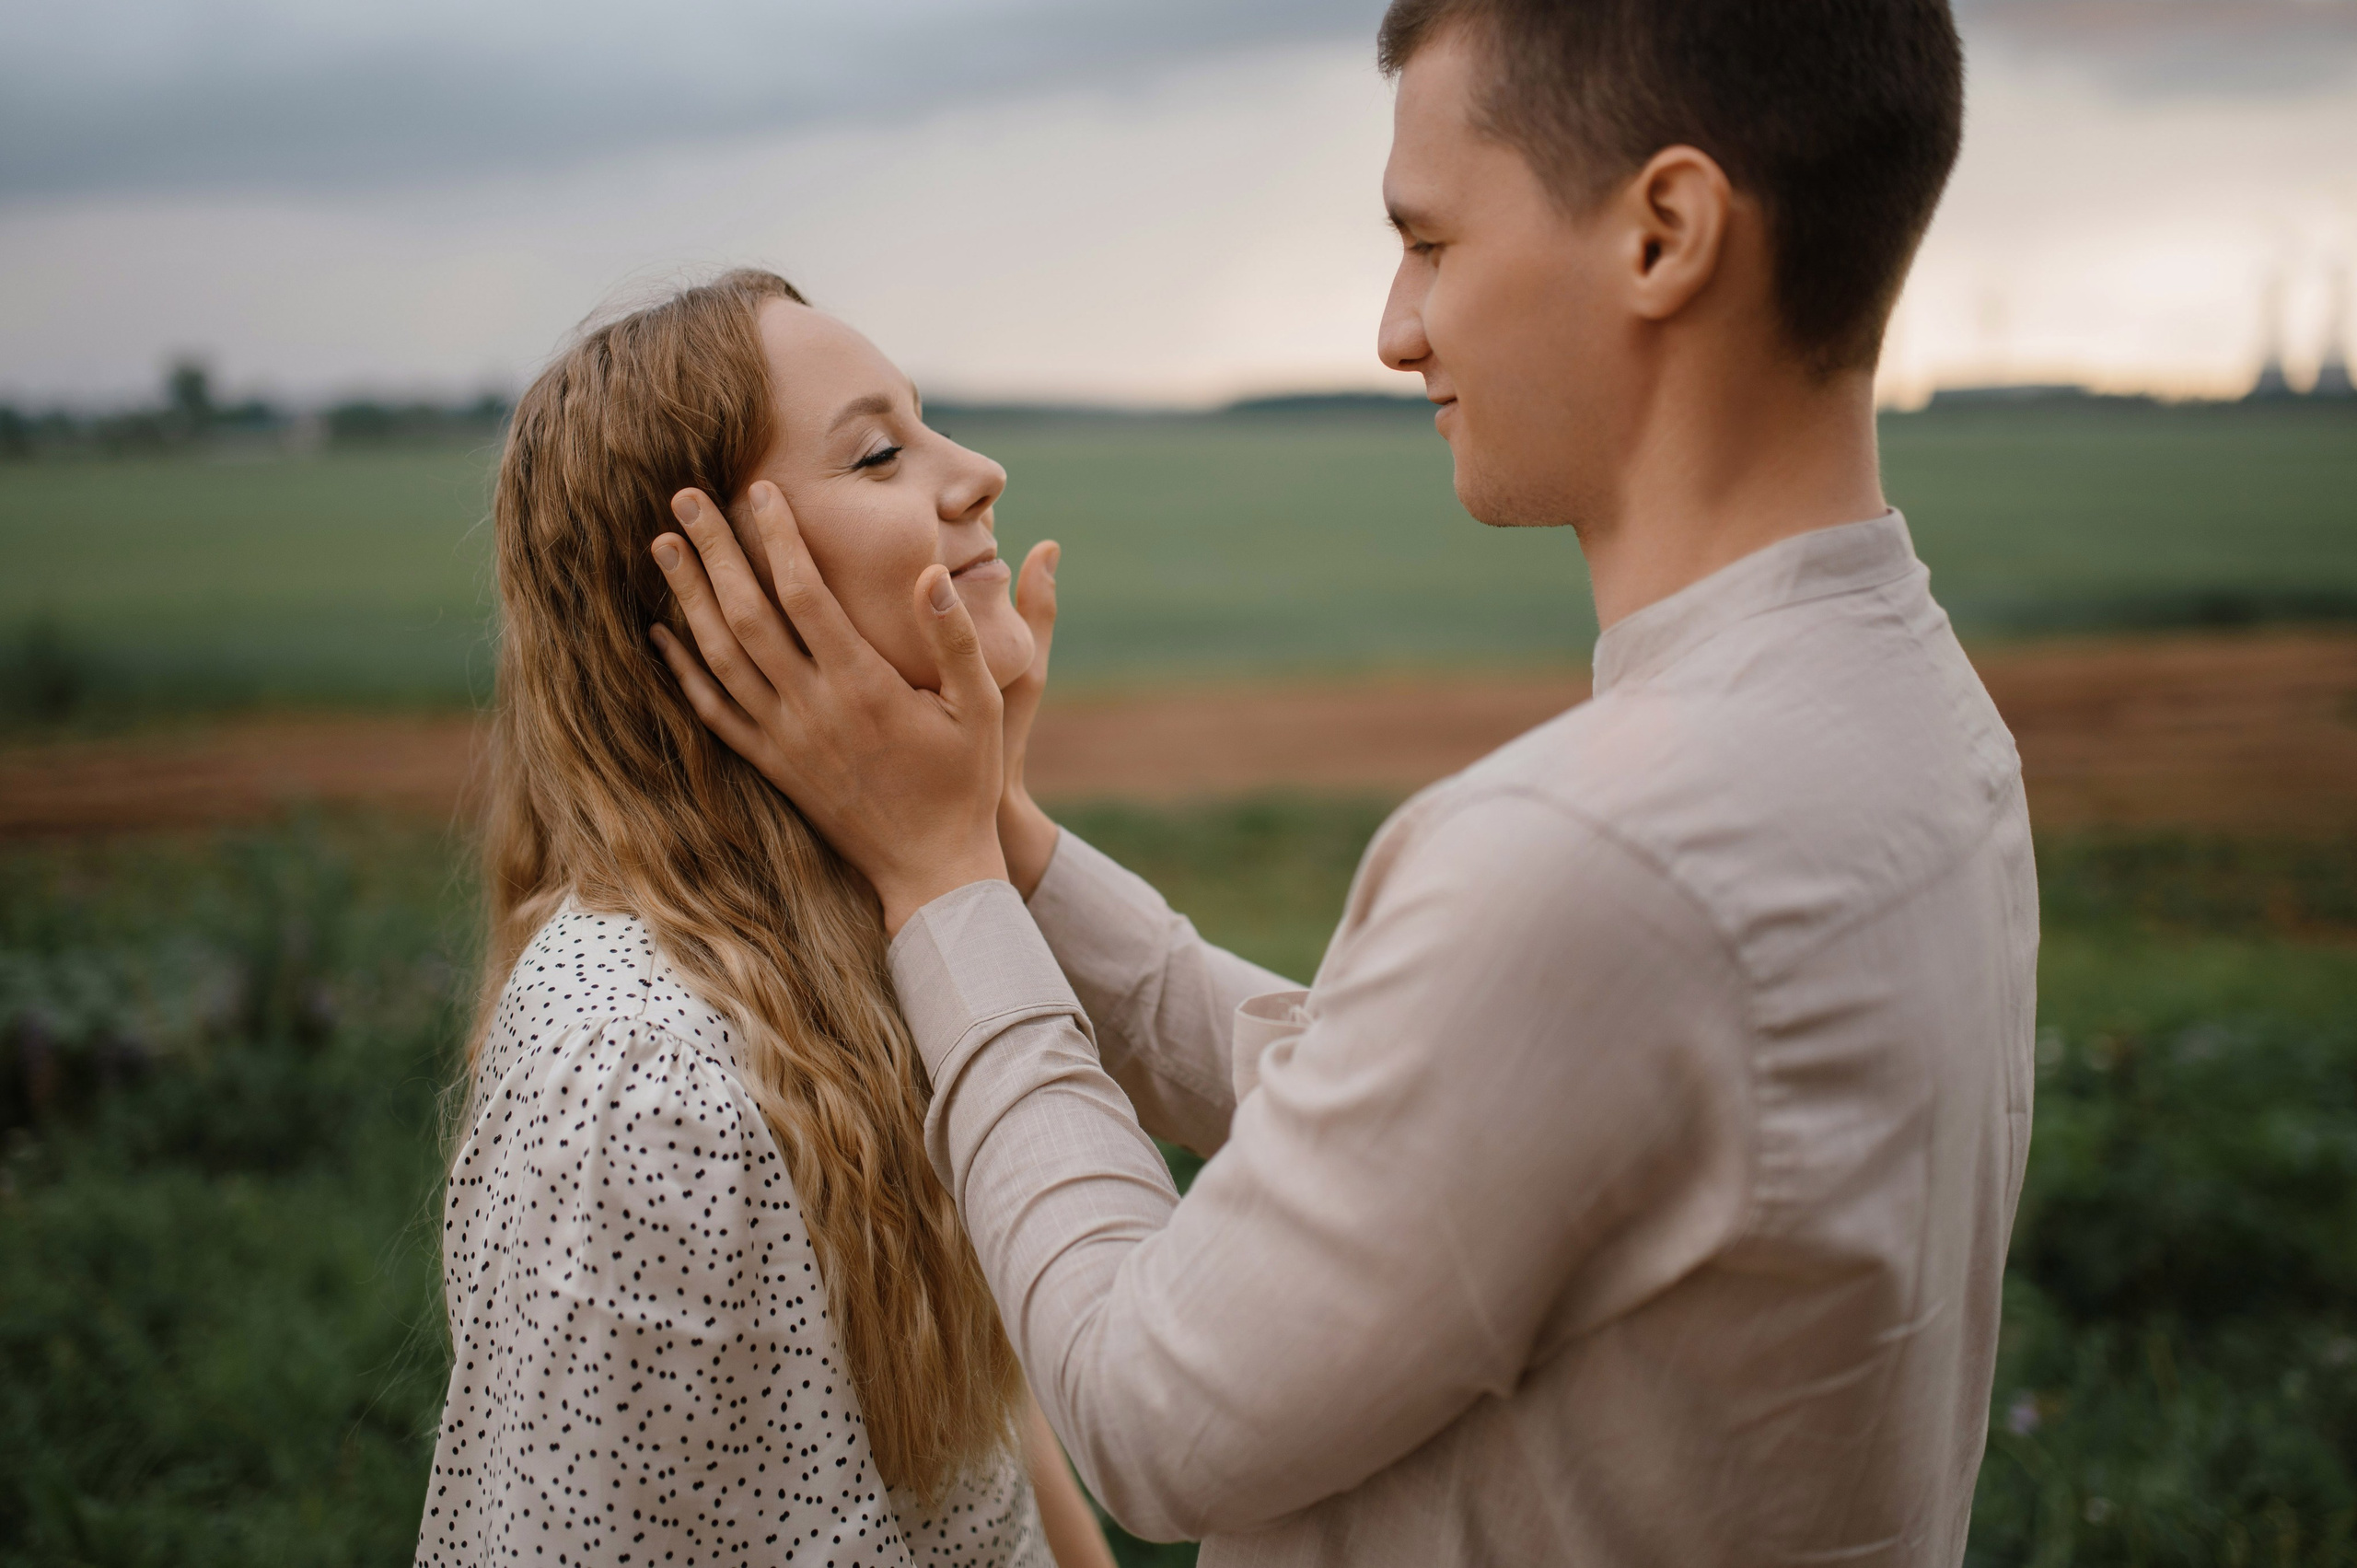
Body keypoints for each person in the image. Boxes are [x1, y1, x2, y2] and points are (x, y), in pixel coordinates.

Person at [650, 0, 2036, 1562]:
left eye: (1431, 242)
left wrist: (938, 885)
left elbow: (1148, 1416)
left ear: (1664, 234)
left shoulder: (1593, 855)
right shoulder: (1925, 723)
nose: (1398, 328)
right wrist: (1006, 846)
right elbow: (1423, 1128)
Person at [416, 269, 1114, 1568]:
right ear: (713, 599)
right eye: (880, 454)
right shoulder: (640, 1078)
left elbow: (982, 1433)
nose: (980, 475)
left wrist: (981, 824)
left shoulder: (875, 930)